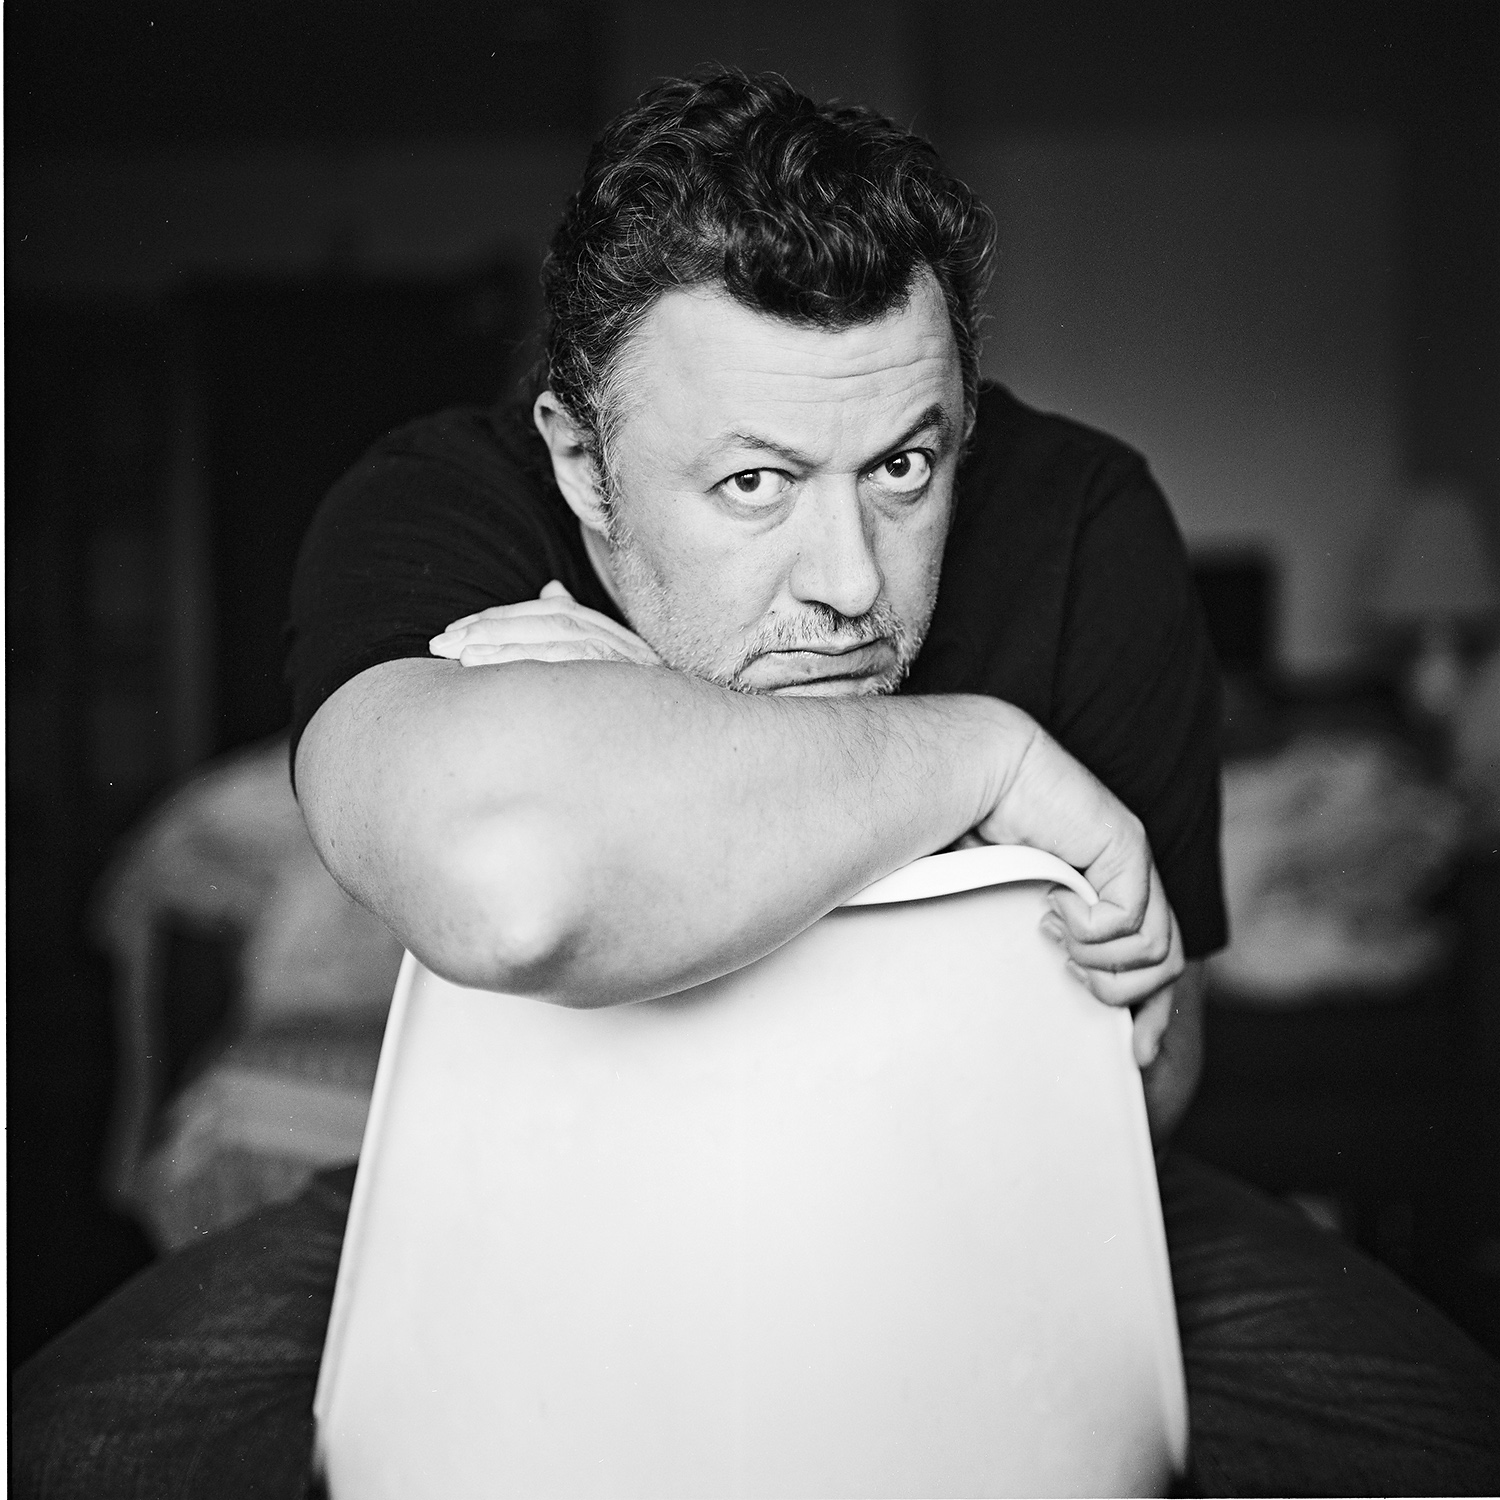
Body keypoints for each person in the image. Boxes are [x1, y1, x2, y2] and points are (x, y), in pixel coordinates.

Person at [12, 71, 1500, 1500]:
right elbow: (511, 885)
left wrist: (639, 731)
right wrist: (981, 757)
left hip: (984, 1198)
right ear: (584, 469)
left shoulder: (1082, 520)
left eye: (904, 468)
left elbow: (1159, 1076)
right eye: (754, 484)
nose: (851, 585)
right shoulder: (440, 508)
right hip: (518, 1184)